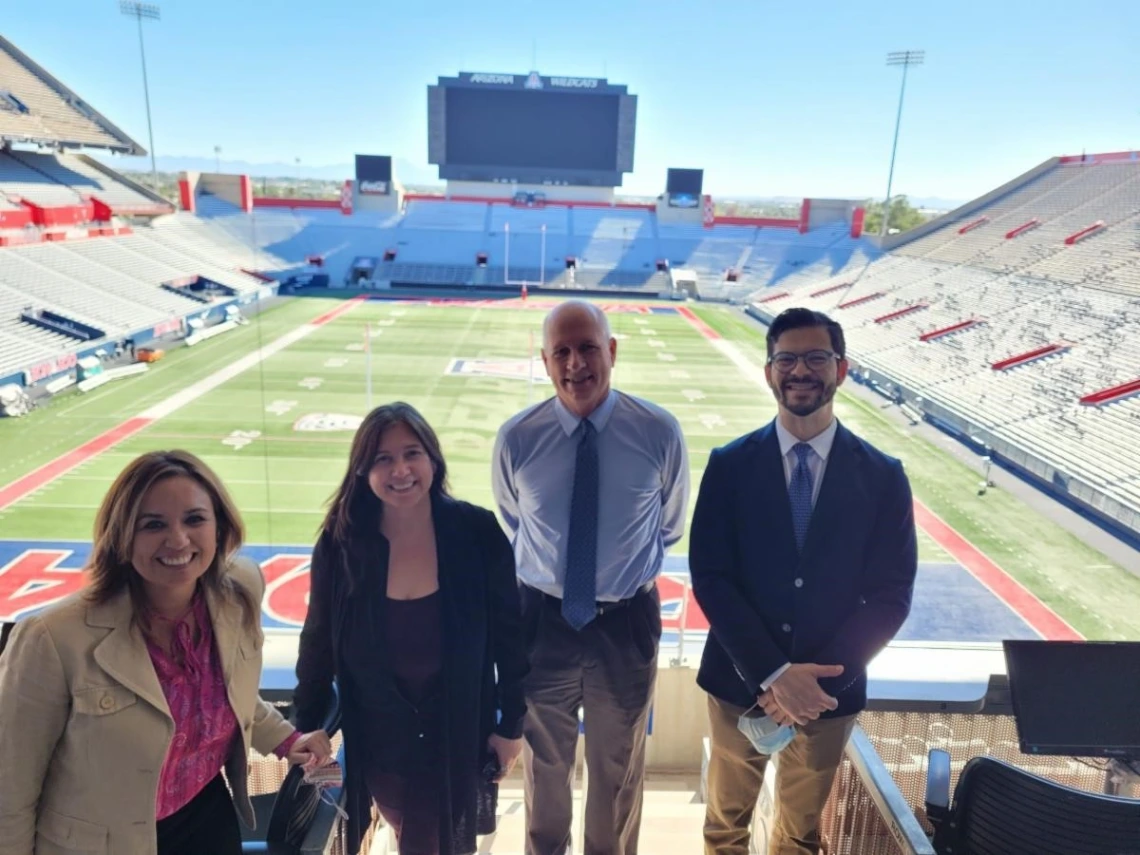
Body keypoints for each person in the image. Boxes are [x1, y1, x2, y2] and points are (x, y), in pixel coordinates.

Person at [0, 450, 332, 855]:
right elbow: (9, 786)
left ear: (220, 526)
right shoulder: (52, 638)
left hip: (206, 819)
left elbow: (226, 691)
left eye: (194, 519)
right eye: (153, 525)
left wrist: (284, 738)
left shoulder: (240, 591)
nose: (177, 540)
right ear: (122, 535)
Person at [690, 307, 918, 855]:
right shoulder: (729, 465)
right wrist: (772, 673)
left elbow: (891, 596)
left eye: (817, 358)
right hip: (737, 686)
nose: (800, 371)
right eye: (786, 359)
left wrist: (812, 689)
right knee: (725, 829)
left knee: (799, 837)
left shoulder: (883, 476)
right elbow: (713, 578)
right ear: (769, 371)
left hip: (826, 697)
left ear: (841, 369)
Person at [492, 300, 690, 855]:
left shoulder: (657, 432)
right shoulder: (518, 439)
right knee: (544, 766)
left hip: (624, 623)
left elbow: (669, 526)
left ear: (613, 352)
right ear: (545, 360)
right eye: (562, 351)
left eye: (588, 348)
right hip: (542, 621)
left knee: (618, 770)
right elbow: (516, 521)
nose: (576, 363)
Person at [294, 402, 529, 855]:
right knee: (415, 833)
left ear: (433, 460)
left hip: (459, 726)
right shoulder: (341, 542)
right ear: (362, 470)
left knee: (435, 840)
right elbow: (318, 637)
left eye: (411, 453)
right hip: (381, 733)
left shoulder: (476, 532)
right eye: (383, 458)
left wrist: (511, 724)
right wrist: (306, 725)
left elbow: (510, 638)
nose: (400, 469)